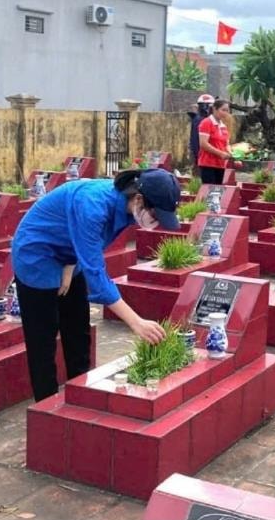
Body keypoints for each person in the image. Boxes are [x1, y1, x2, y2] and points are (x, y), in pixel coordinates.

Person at [10, 169, 176, 401]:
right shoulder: (93, 205)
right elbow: (96, 275)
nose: (156, 223)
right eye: (155, 215)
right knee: (43, 339)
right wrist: (136, 322)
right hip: (36, 253)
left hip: (70, 255)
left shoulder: (126, 207)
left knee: (78, 332)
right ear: (139, 199)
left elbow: (87, 243)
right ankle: (47, 405)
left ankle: (81, 398)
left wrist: (70, 263)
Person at [197, 99, 233, 185]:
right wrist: (220, 153)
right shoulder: (206, 122)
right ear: (214, 109)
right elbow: (203, 144)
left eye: (227, 110)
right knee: (209, 189)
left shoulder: (223, 125)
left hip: (220, 164)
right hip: (208, 163)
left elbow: (226, 144)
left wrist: (231, 153)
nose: (225, 113)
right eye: (223, 110)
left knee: (218, 189)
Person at [188, 94, 215, 173]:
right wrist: (198, 156)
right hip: (201, 155)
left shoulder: (205, 119)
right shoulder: (201, 120)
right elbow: (196, 140)